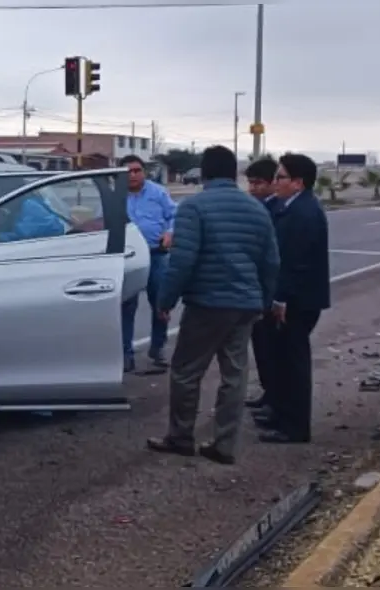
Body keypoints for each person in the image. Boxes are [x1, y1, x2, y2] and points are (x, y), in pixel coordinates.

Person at [146, 145, 280, 465]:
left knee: (186, 372)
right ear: (233, 173)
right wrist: (262, 301)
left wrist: (166, 300)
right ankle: (225, 445)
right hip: (245, 305)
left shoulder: (194, 207)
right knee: (235, 375)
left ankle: (180, 437)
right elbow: (271, 262)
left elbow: (182, 261)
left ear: (203, 173)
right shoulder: (257, 209)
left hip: (207, 304)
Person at [258, 153, 330, 444]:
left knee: (294, 361)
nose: (275, 183)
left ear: (298, 183)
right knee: (281, 358)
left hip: (299, 300)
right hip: (290, 295)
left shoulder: (304, 213)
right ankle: (281, 413)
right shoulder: (287, 205)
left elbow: (294, 262)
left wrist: (281, 299)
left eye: (281, 177)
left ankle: (296, 427)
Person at [119, 154, 176, 372]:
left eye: (137, 170)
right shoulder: (115, 195)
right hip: (128, 257)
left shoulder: (158, 192)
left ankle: (158, 348)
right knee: (127, 306)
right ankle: (125, 354)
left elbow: (174, 215)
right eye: (128, 171)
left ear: (143, 172)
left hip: (156, 254)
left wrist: (170, 233)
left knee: (161, 304)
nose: (133, 175)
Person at [242, 157, 281, 420]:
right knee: (262, 348)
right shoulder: (258, 208)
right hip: (256, 292)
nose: (253, 189)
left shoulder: (276, 210)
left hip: (271, 294)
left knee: (273, 349)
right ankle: (269, 393)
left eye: (258, 183)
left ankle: (277, 400)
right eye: (250, 183)